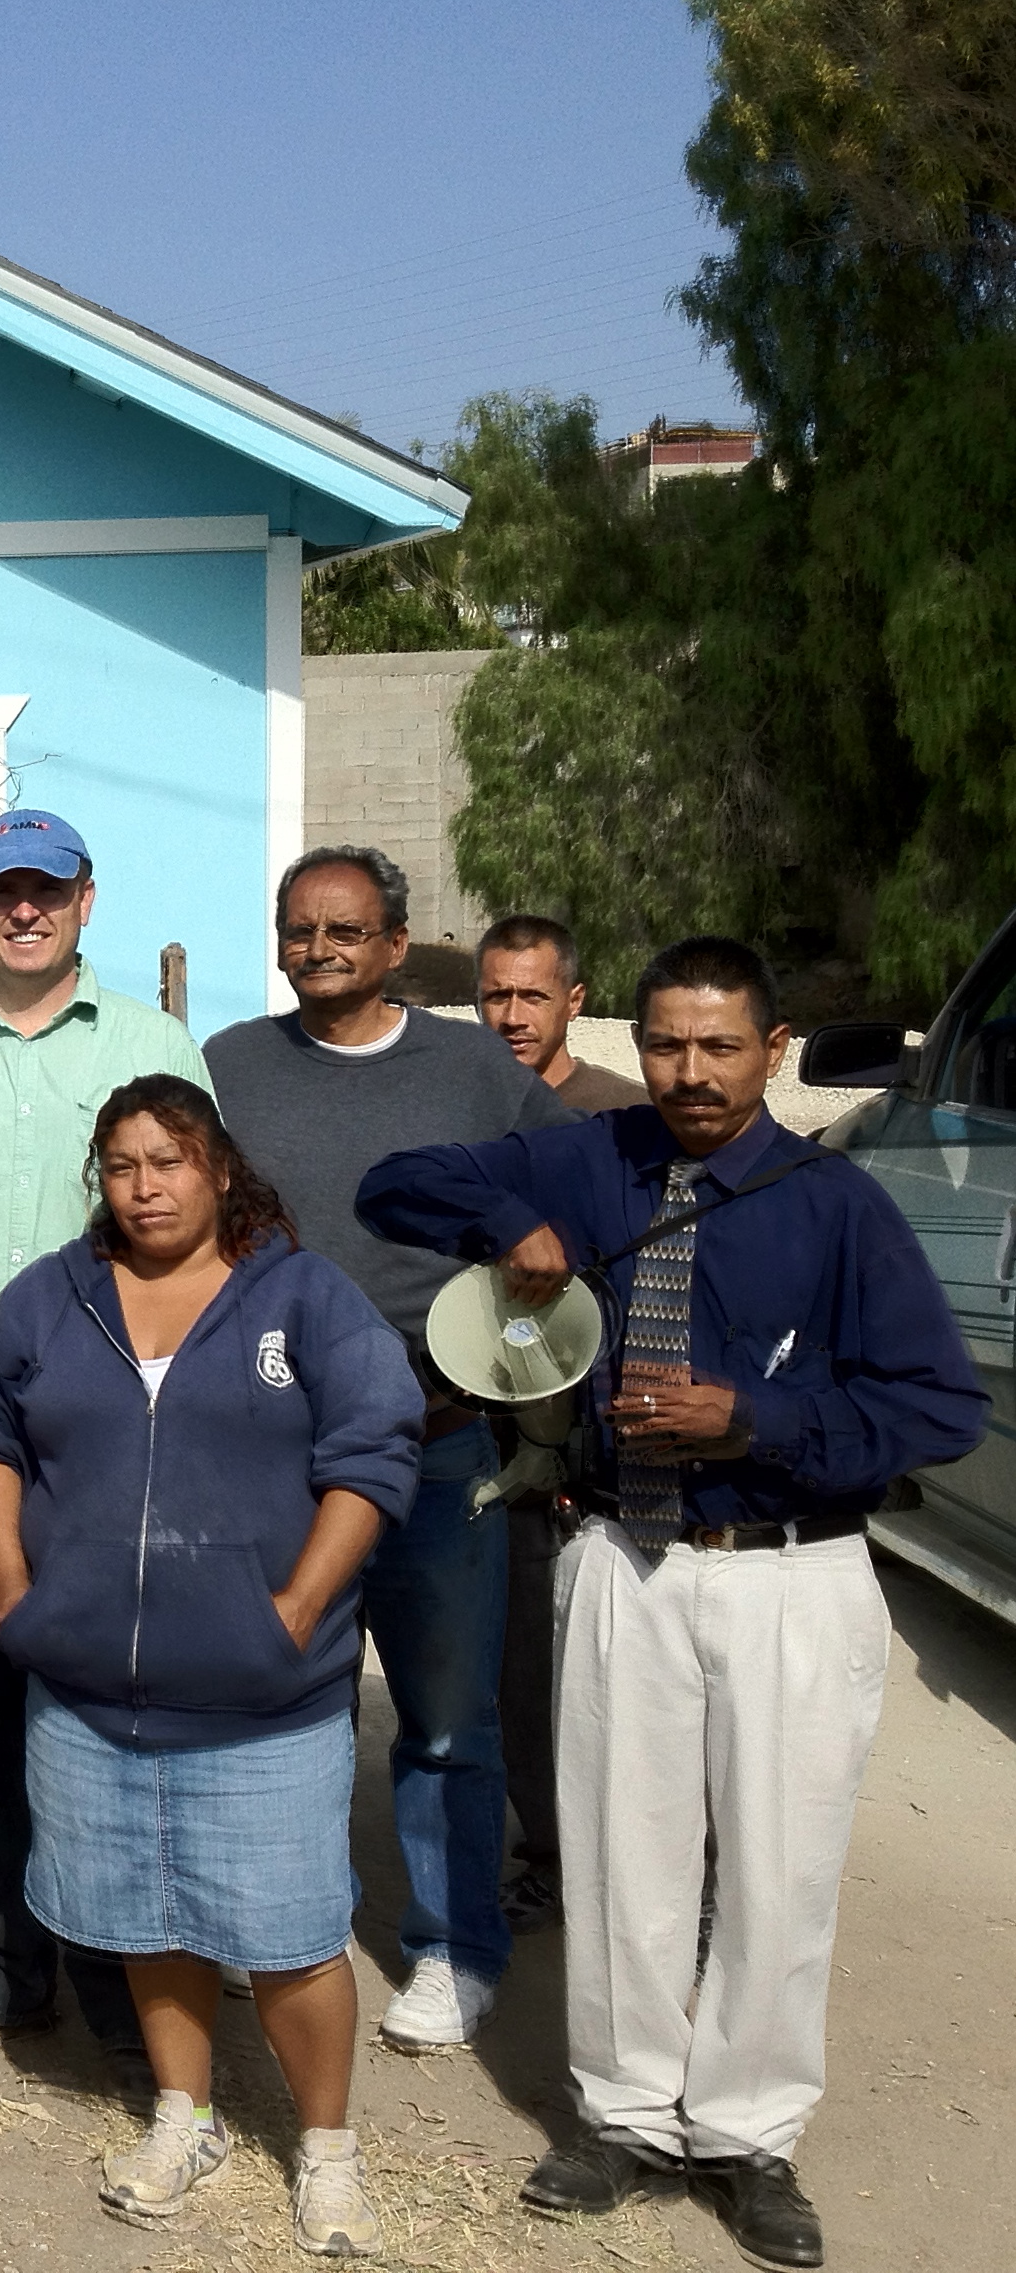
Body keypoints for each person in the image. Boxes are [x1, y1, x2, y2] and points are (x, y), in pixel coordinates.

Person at [360, 937, 985, 2272]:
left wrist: (751, 1415)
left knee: (776, 1866)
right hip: (620, 1563)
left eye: (719, 1046)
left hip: (789, 1574)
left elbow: (937, 1406)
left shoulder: (838, 1205)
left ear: (772, 1051)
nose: (691, 1072)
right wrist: (503, 1224)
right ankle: (624, 2116)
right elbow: (392, 1183)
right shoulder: (590, 1155)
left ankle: (749, 2138)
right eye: (667, 1045)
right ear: (634, 1044)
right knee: (619, 1854)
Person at [0, 1076, 419, 2256]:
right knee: (146, 1910)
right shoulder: (49, 1298)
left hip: (263, 1691)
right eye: (120, 1164)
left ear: (218, 1168)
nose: (145, 1184)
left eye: (168, 1160)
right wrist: (13, 1584)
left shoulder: (302, 1296)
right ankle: (185, 2111)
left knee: (287, 1932)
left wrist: (297, 1604)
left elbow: (372, 1447)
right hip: (91, 1689)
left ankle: (324, 2146)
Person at [202, 845, 566, 2052]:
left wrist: (530, 1224)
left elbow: (572, 1178)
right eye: (297, 928)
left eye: (344, 929)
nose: (318, 948)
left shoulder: (471, 1067)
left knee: (447, 1717)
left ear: (396, 943)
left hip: (436, 1439)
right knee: (266, 1702)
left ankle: (453, 1947)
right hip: (272, 1450)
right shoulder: (228, 1064)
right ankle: (263, 1928)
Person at [0, 807, 209, 2074]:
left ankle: (124, 1978)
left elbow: (197, 1236)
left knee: (117, 1719)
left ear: (84, 899)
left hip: (111, 1454)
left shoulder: (152, 1045)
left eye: (45, 889)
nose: (23, 908)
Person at [472, 911, 643, 1938]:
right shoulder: (462, 1110)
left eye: (530, 995)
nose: (508, 1015)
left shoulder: (620, 1116)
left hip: (613, 1440)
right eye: (493, 994)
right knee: (518, 1671)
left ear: (572, 1000)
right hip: (492, 1433)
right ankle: (546, 1853)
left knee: (628, 1673)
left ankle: (662, 1867)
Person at [478, 916, 646, 1115]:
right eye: (498, 997)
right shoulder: (448, 1111)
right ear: (477, 1004)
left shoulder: (631, 1114)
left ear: (574, 1002)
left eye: (534, 997)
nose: (513, 1018)